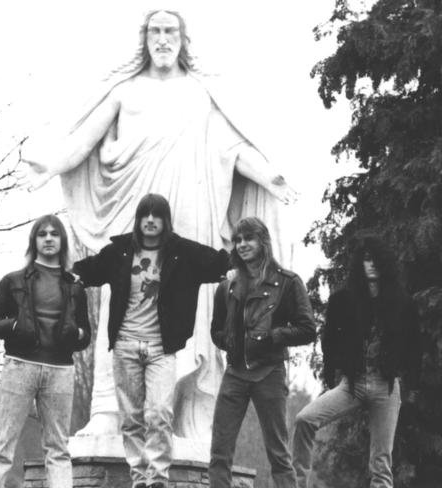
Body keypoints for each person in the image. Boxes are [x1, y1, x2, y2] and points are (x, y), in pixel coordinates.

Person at [25, 9, 297, 443]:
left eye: (171, 31)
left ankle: (189, 414)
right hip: (138, 216)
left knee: (193, 307)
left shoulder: (201, 94)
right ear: (145, 38)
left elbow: (231, 149)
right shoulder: (125, 92)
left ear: (183, 39)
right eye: (156, 30)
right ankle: (109, 411)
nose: (163, 38)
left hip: (191, 214)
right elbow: (84, 140)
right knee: (124, 301)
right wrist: (50, 164)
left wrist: (269, 177)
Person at [72, 193, 229, 488]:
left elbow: (218, 263)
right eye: (145, 215)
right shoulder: (120, 252)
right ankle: (139, 477)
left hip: (160, 347)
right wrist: (67, 275)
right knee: (131, 417)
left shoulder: (181, 252)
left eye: (157, 215)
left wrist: (241, 265)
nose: (151, 220)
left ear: (165, 220)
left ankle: (157, 477)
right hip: (125, 344)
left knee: (159, 412)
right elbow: (87, 270)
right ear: (138, 220)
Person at [292, 235, 422, 488]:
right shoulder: (344, 300)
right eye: (366, 259)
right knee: (304, 419)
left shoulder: (402, 303)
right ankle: (295, 484)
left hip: (385, 386)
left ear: (385, 263)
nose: (371, 264)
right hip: (353, 384)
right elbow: (329, 338)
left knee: (381, 463)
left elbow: (414, 346)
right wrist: (331, 371)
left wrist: (412, 385)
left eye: (376, 259)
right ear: (359, 263)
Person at [0, 214, 91, 488]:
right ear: (34, 241)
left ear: (62, 241)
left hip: (60, 371)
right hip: (20, 366)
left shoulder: (75, 286)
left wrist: (76, 334)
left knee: (58, 449)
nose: (49, 238)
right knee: (2, 445)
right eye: (43, 234)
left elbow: (85, 334)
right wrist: (15, 325)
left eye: (54, 234)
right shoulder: (13, 281)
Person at [209, 217, 315, 488]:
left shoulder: (288, 282)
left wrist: (272, 337)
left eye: (249, 238)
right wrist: (230, 342)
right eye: (238, 240)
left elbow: (307, 329)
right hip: (235, 373)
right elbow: (216, 330)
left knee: (278, 453)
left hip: (270, 372)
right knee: (219, 452)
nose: (242, 244)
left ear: (263, 241)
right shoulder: (227, 286)